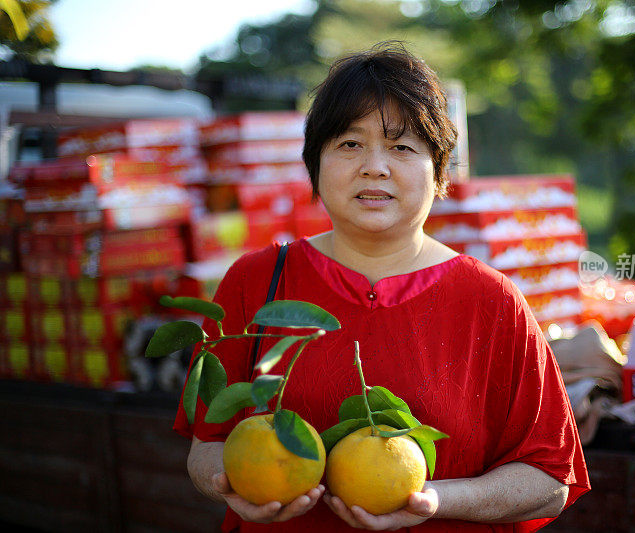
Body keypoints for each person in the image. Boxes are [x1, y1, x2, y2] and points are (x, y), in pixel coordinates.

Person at [174, 42, 590, 532]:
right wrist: (229, 483)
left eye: (402, 146)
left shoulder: (491, 300)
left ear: (438, 170)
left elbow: (548, 477)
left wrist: (433, 499)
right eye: (350, 144)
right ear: (316, 162)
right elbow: (206, 446)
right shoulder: (258, 280)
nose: (375, 165)